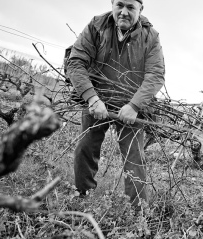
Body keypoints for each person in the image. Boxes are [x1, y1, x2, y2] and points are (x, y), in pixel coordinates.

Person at [66, 0, 165, 208]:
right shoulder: (97, 26)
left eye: (131, 7)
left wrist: (135, 106)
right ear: (112, 4)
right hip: (97, 99)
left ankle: (138, 212)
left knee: (134, 157)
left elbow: (155, 75)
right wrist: (92, 98)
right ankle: (82, 196)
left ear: (141, 10)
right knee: (86, 147)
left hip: (130, 106)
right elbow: (75, 62)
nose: (124, 12)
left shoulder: (150, 36)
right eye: (120, 5)